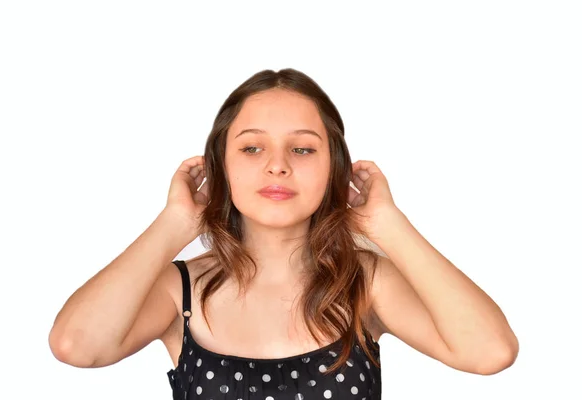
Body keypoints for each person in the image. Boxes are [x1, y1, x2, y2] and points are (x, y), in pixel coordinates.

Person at [48, 68, 519, 399]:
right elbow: (77, 346)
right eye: (252, 148)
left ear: (334, 168)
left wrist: (388, 225)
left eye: (302, 148)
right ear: (221, 167)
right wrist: (174, 223)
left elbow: (490, 353)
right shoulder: (180, 291)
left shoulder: (367, 283)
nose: (277, 164)